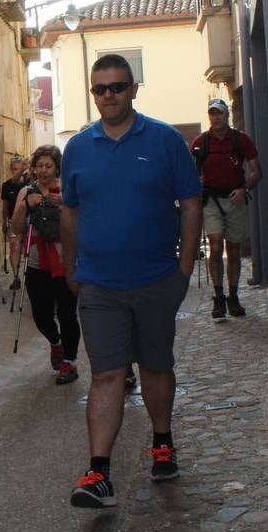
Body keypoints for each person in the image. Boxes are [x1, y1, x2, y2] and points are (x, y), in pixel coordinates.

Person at [60, 54, 203, 508]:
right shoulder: (78, 149)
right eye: (100, 89)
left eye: (117, 87)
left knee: (156, 366)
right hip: (99, 284)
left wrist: (183, 270)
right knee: (106, 374)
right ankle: (98, 472)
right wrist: (71, 267)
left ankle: (162, 440)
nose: (109, 96)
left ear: (133, 88)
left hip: (157, 278)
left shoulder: (165, 141)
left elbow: (191, 203)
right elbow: (71, 211)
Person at [8, 145, 80, 385]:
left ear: (56, 167)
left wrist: (64, 202)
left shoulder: (67, 187)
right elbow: (17, 228)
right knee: (41, 315)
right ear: (34, 167)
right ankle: (55, 342)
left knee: (68, 313)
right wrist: (25, 205)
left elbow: (81, 217)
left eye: (48, 166)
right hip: (38, 263)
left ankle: (70, 362)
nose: (44, 170)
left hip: (65, 259)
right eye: (40, 166)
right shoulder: (26, 191)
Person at [190, 98, 263, 319]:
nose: (216, 117)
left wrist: (244, 189)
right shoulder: (201, 142)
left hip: (235, 198)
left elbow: (257, 171)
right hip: (211, 199)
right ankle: (218, 297)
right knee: (215, 245)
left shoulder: (241, 140)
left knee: (233, 248)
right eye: (212, 113)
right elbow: (190, 173)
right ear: (209, 116)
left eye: (219, 113)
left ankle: (233, 296)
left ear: (226, 115)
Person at [0, 155, 29, 261]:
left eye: (20, 168)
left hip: (28, 220)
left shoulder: (28, 182)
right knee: (14, 247)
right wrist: (4, 221)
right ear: (11, 170)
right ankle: (16, 276)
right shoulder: (6, 185)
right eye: (15, 169)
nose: (18, 171)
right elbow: (5, 205)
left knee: (28, 248)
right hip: (13, 220)